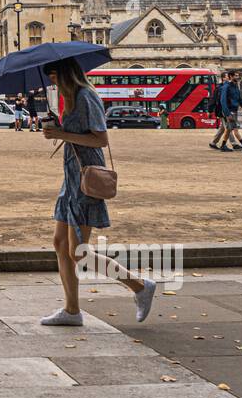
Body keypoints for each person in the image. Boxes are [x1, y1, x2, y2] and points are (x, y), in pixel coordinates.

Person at [38, 57, 156, 328]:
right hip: (71, 177)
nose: (52, 83)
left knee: (79, 251)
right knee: (60, 244)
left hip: (87, 177)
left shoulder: (86, 96)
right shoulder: (71, 98)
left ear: (65, 74)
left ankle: (139, 286)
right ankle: (71, 310)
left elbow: (101, 139)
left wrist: (63, 134)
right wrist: (57, 128)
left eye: (54, 77)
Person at [218, 73, 242, 151]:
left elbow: (240, 100)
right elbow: (223, 101)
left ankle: (223, 146)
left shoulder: (236, 86)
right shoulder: (226, 87)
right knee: (235, 128)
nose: (238, 77)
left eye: (237, 75)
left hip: (234, 110)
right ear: (231, 77)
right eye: (236, 76)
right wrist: (227, 113)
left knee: (228, 129)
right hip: (229, 112)